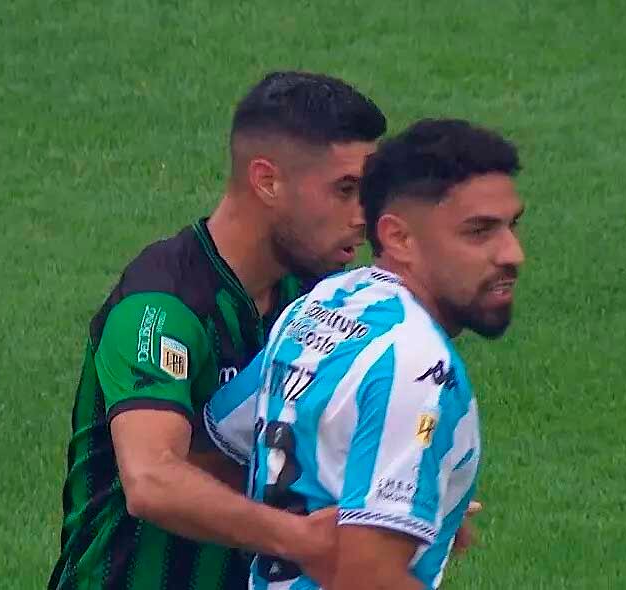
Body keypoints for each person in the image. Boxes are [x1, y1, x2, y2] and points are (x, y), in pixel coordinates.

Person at [49, 71, 387, 590]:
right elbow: (151, 480)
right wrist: (303, 540)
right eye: (345, 189)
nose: (365, 215)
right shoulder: (161, 307)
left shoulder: (323, 299)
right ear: (267, 181)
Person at [204, 118, 526, 589]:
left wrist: (397, 507)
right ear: (399, 238)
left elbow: (224, 441)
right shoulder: (418, 367)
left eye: (512, 226)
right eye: (479, 232)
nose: (512, 253)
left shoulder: (322, 305)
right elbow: (367, 579)